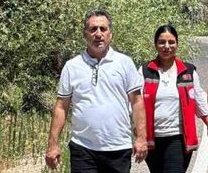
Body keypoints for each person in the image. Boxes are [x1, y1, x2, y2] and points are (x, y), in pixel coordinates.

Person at [45, 10, 148, 173]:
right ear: (85, 34)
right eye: (93, 29)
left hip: (118, 149)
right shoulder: (72, 66)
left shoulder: (125, 63)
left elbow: (137, 102)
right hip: (83, 149)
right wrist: (52, 144)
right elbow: (61, 107)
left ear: (110, 34)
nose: (98, 34)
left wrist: (142, 138)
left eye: (103, 29)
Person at [141, 24, 208, 173]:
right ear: (155, 45)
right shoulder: (145, 71)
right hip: (152, 139)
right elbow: (135, 103)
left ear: (177, 44)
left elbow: (199, 99)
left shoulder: (187, 71)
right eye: (162, 42)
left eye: (171, 42)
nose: (167, 46)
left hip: (178, 138)